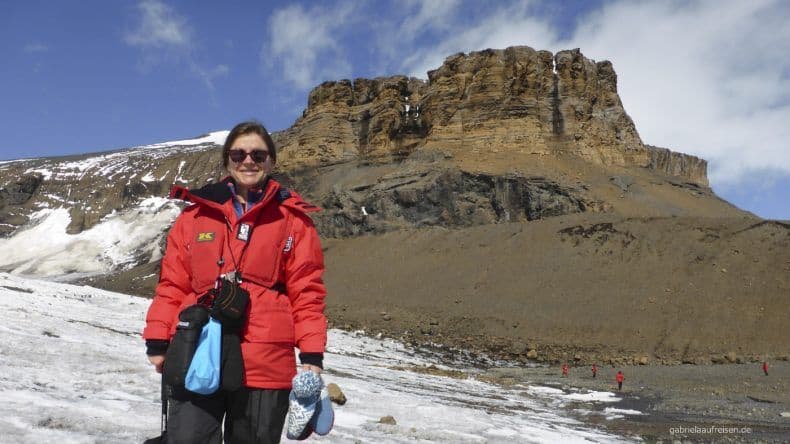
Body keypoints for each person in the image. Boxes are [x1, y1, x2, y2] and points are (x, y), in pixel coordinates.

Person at [143, 121, 327, 443]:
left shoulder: (295, 221)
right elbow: (173, 284)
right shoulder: (193, 218)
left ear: (272, 161)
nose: (248, 161)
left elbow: (307, 292)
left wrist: (312, 354)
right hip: (196, 351)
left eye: (258, 154)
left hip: (266, 361)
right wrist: (158, 338)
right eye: (238, 154)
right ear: (227, 159)